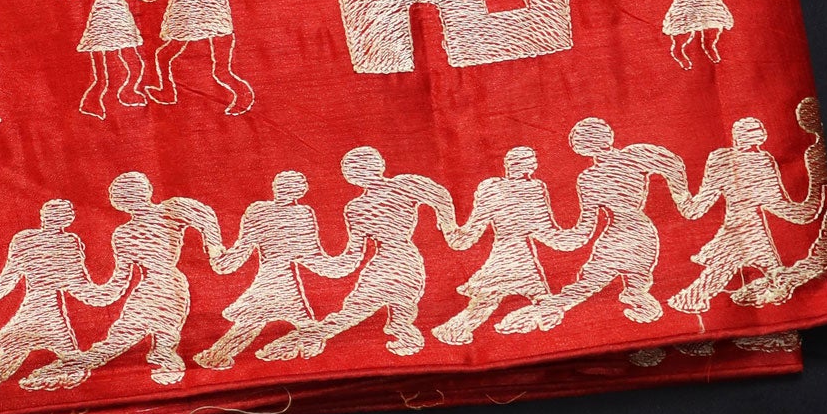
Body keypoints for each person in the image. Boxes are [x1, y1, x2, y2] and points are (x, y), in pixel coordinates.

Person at [23, 172, 223, 391]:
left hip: (152, 291)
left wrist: (83, 289)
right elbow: (204, 215)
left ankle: (60, 370)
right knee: (147, 341)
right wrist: (215, 248)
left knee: (123, 342)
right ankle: (62, 370)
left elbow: (118, 283)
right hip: (165, 290)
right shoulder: (148, 222)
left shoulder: (130, 231)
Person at [263, 146, 457, 360]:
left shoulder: (357, 208)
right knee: (396, 308)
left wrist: (314, 261)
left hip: (384, 265)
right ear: (379, 165)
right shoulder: (402, 186)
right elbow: (440, 196)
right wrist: (449, 227)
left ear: (351, 176)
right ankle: (404, 334)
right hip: (405, 263)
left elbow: (352, 257)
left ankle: (292, 342)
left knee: (353, 314)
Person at [499, 119, 691, 331]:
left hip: (617, 236)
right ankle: (641, 306)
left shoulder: (589, 178)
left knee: (586, 285)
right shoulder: (634, 156)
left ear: (581, 148)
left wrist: (546, 233)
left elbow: (585, 230)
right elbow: (673, 164)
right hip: (641, 235)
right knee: (632, 286)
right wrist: (683, 199)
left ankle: (537, 313)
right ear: (608, 136)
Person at [196, 172, 359, 369]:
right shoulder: (300, 215)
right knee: (295, 324)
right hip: (279, 283)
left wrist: (220, 258)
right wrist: (351, 255)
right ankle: (314, 361)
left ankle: (217, 356)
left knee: (259, 322)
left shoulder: (260, 211)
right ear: (300, 191)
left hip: (273, 281)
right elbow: (312, 257)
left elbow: (243, 249)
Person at [0, 200, 116, 398]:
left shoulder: (26, 240)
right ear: (67, 219)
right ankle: (26, 380)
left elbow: (8, 279)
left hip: (35, 311)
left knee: (16, 353)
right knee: (71, 362)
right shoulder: (66, 243)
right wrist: (115, 285)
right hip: (48, 315)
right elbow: (79, 285)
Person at [670, 117, 827, 314]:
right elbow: (783, 207)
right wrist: (817, 192)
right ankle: (691, 302)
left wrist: (679, 192)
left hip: (746, 231)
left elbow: (698, 207)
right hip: (745, 232)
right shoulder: (757, 161)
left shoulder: (726, 159)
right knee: (768, 275)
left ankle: (788, 310)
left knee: (770, 275)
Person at [433, 148, 586, 343]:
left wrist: (448, 226)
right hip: (515, 258)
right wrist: (582, 229)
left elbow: (472, 231)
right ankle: (469, 329)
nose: (533, 165)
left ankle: (456, 331)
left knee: (492, 300)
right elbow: (546, 231)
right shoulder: (528, 189)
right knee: (532, 299)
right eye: (530, 162)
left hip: (511, 257)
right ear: (528, 166)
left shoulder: (498, 188)